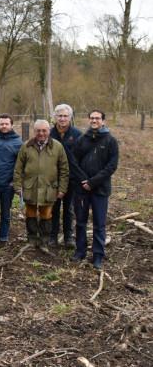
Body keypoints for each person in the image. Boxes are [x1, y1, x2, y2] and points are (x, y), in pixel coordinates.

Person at [72, 110, 119, 270]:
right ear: (88, 120)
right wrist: (83, 180)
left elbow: (111, 166)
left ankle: (98, 255)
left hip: (100, 190)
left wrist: (92, 182)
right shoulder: (81, 140)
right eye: (92, 118)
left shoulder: (110, 141)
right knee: (80, 222)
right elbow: (74, 162)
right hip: (81, 189)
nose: (94, 121)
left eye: (97, 118)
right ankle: (80, 251)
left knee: (99, 224)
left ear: (103, 121)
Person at [13, 120, 69, 252]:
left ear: (49, 131)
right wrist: (17, 185)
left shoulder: (57, 147)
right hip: (30, 187)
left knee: (46, 214)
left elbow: (64, 169)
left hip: (49, 188)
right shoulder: (26, 146)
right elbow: (18, 169)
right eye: (38, 131)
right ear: (34, 131)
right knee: (30, 213)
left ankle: (44, 240)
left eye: (44, 130)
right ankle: (32, 239)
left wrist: (62, 188)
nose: (41, 133)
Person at [0, 114, 22, 247]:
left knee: (6, 213)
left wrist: (15, 182)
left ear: (11, 124)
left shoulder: (18, 142)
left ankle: (3, 238)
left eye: (6, 124)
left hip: (8, 185)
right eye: (1, 124)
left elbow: (21, 165)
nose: (4, 126)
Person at [49, 104, 82, 248]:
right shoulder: (48, 134)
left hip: (71, 179)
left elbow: (82, 158)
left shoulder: (77, 135)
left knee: (69, 209)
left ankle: (69, 237)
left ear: (70, 117)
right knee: (53, 208)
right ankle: (52, 237)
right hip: (52, 179)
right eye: (60, 116)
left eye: (65, 116)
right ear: (55, 117)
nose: (62, 119)